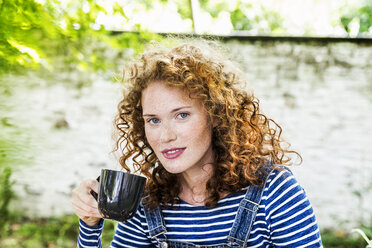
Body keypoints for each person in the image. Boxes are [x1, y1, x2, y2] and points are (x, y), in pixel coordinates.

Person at [72, 41, 323, 248]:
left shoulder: (273, 193)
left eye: (182, 115)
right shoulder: (147, 205)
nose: (165, 136)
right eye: (153, 120)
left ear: (215, 115)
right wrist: (90, 224)